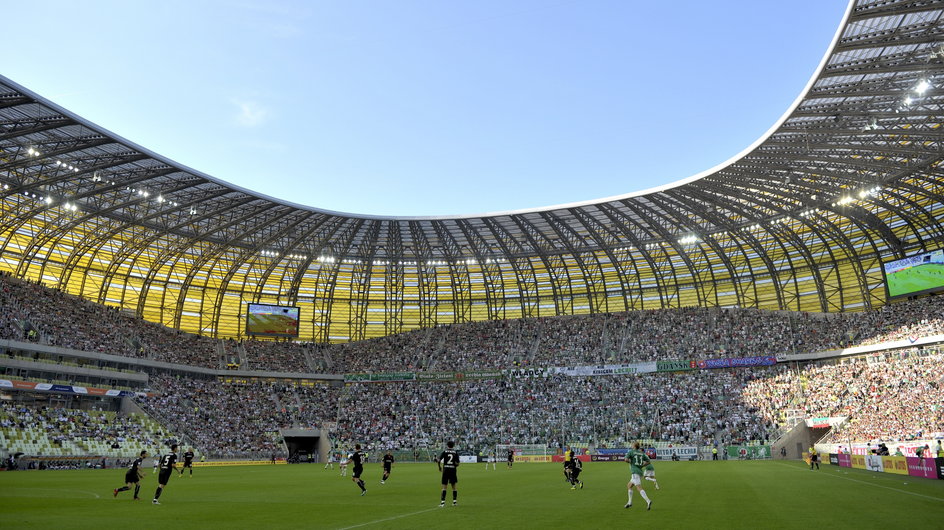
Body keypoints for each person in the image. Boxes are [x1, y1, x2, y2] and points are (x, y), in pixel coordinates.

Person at [624, 442, 652, 510]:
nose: (631, 445)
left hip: (635, 472)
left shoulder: (631, 452)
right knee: (629, 486)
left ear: (634, 446)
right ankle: (629, 502)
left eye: (632, 444)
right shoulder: (642, 453)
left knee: (639, 487)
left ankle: (648, 501)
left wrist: (630, 462)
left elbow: (626, 460)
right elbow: (648, 461)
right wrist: (642, 465)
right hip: (639, 472)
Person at [438, 440, 460, 507]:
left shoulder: (445, 452)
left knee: (444, 486)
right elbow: (457, 463)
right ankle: (454, 502)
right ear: (453, 445)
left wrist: (439, 467)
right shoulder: (455, 452)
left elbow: (438, 460)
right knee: (454, 487)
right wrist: (455, 465)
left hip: (446, 470)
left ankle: (442, 503)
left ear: (447, 445)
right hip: (452, 470)